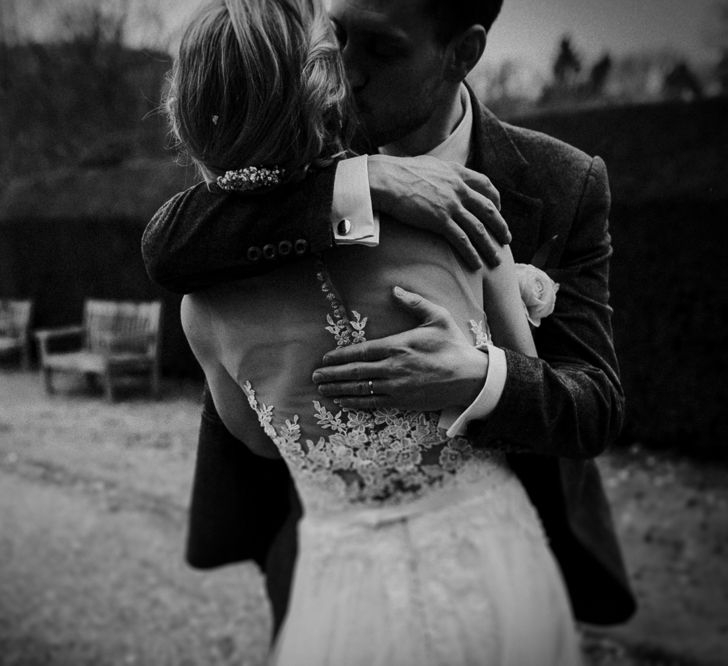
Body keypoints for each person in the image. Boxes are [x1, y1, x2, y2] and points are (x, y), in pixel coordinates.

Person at [143, 0, 635, 643]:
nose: (346, 70)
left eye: (381, 48)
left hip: (497, 548)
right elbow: (167, 245)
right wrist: (360, 180)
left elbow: (595, 404)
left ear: (465, 52)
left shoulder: (564, 181)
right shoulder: (307, 126)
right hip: (328, 553)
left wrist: (480, 379)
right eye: (338, 36)